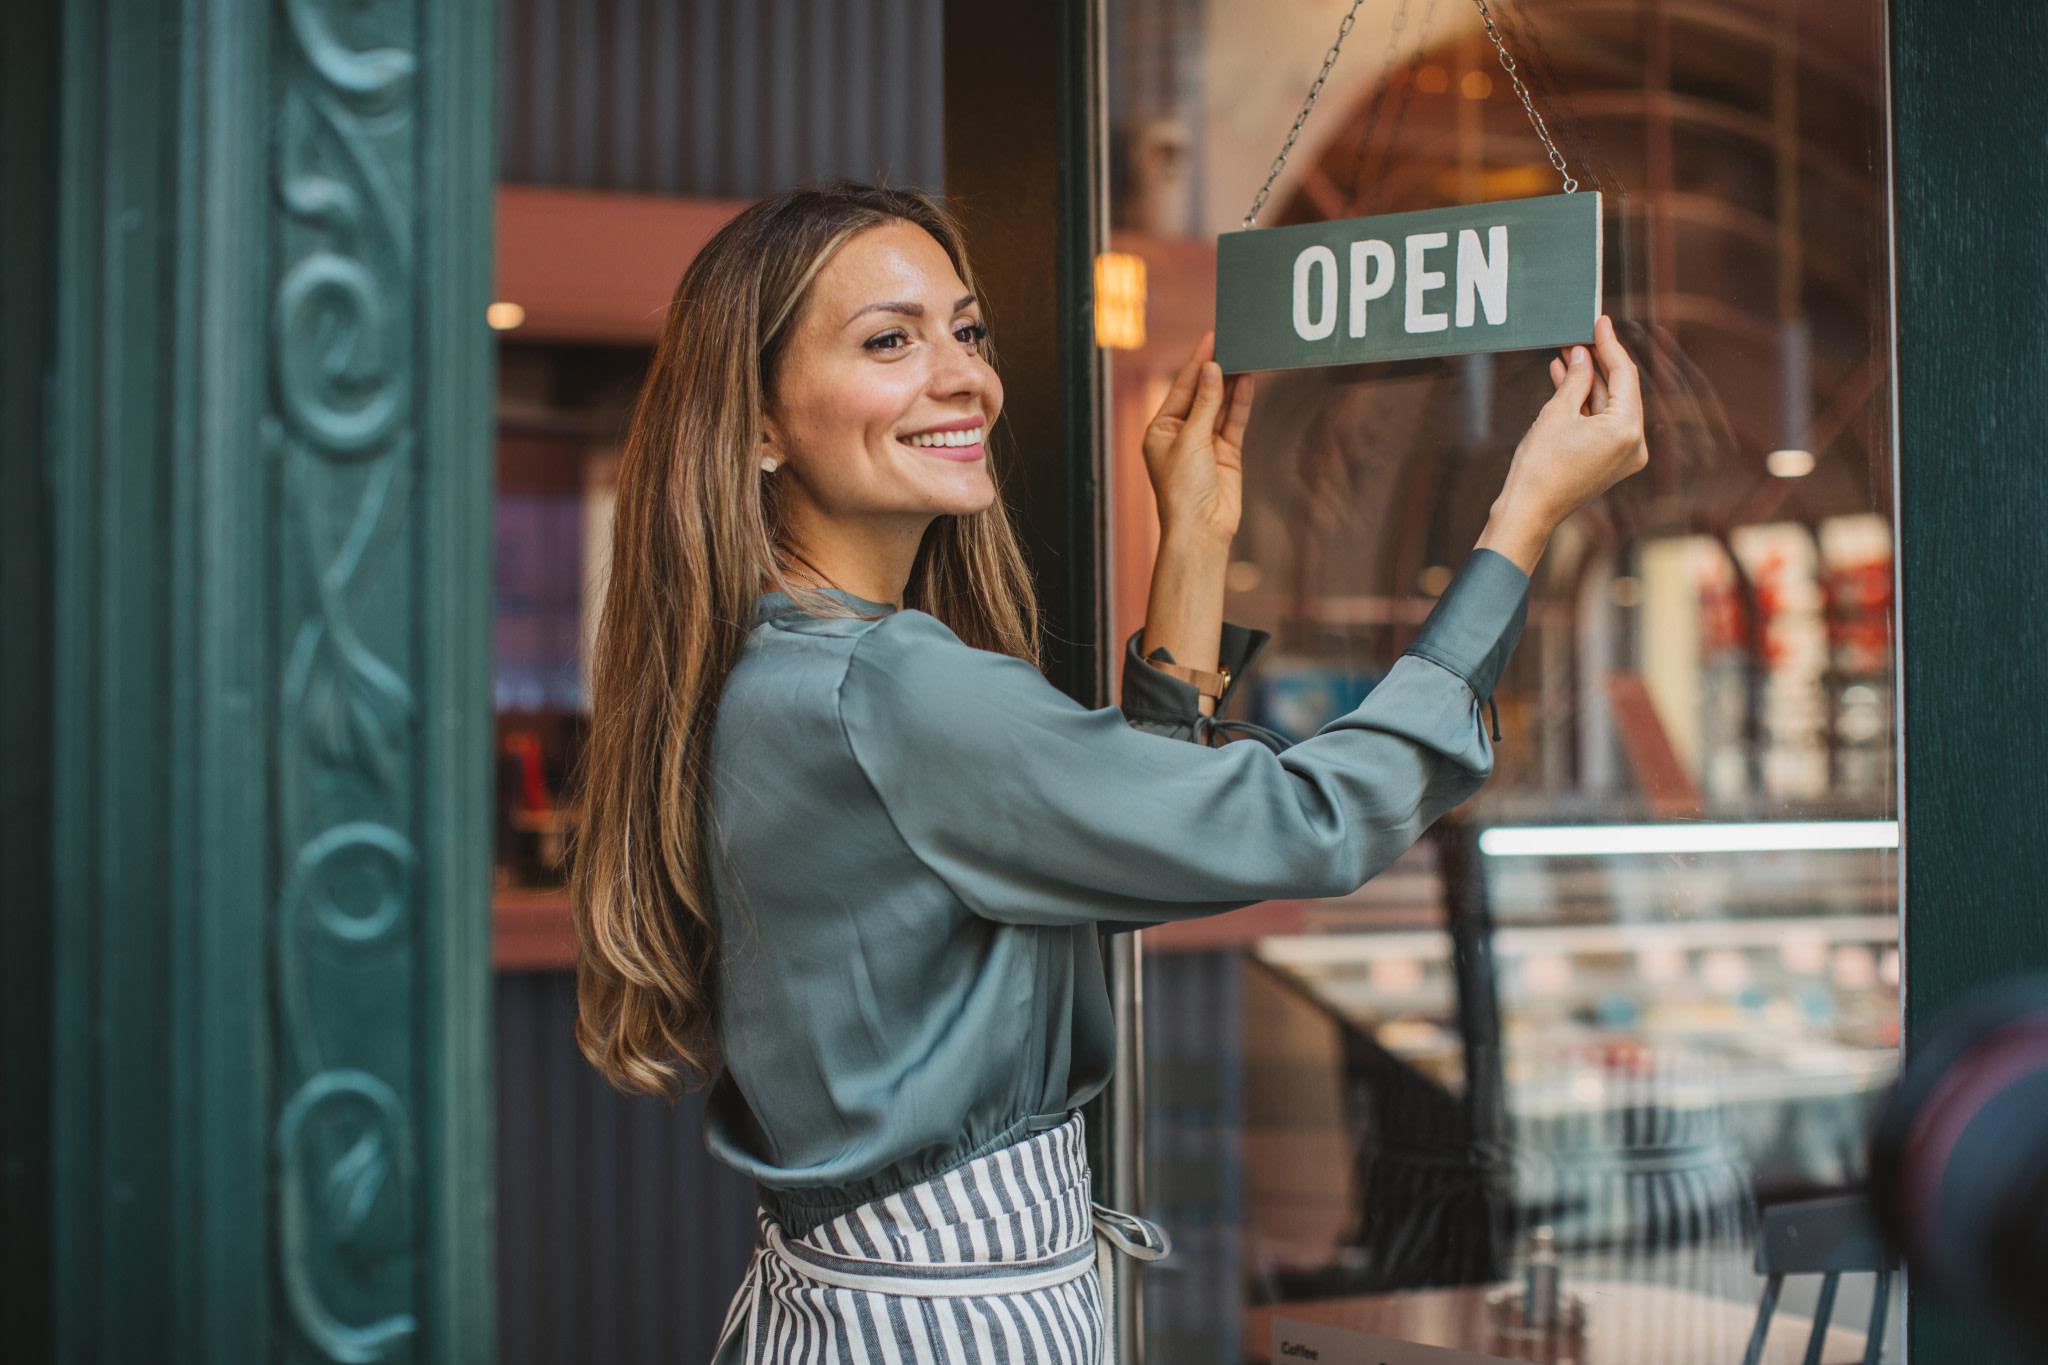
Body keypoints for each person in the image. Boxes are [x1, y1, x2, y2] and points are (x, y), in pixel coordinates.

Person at [569, 181, 1648, 1364]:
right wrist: (1521, 521)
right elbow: (1314, 822)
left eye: (965, 331)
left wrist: (1190, 538)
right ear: (758, 424)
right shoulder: (892, 687)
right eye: (890, 339)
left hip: (850, 1298)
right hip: (952, 1326)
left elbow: (1134, 824)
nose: (962, 375)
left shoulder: (778, 664)